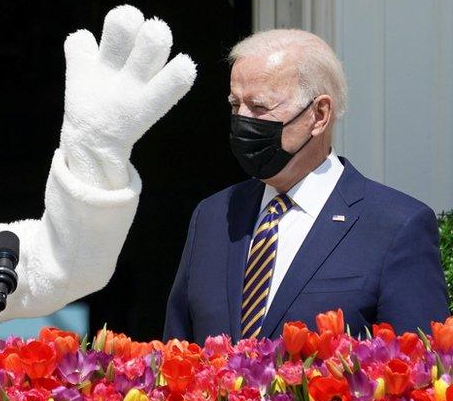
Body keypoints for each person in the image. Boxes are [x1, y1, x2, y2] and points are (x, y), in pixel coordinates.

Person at [164, 29, 448, 343]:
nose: (242, 120)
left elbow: (421, 372)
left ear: (319, 115)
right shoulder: (213, 217)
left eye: (258, 107)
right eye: (235, 105)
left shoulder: (395, 226)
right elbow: (177, 354)